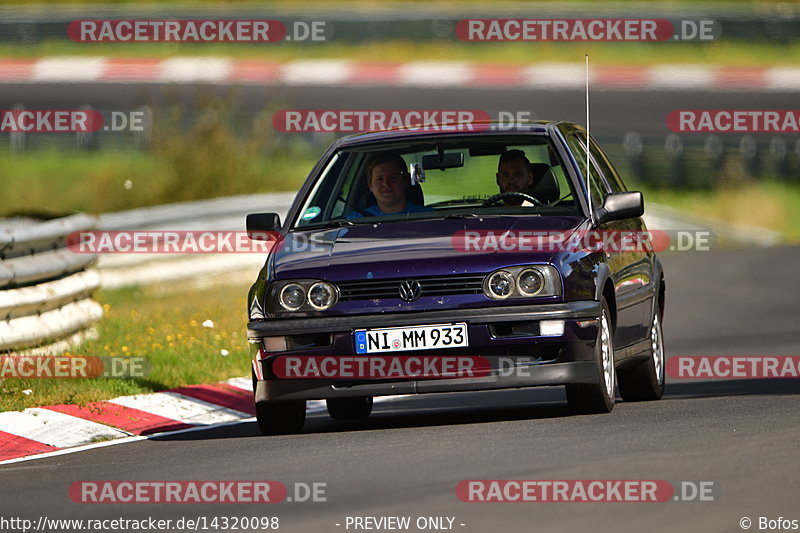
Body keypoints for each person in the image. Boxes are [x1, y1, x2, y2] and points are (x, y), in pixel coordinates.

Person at [351, 152, 432, 217]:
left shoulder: (428, 216)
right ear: (370, 185)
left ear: (405, 181)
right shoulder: (356, 220)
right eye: (380, 179)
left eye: (393, 178)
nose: (386, 184)